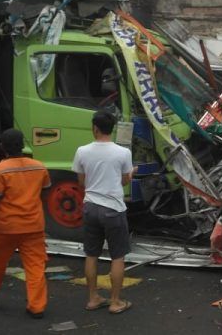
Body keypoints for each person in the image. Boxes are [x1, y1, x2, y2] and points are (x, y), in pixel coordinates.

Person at [73, 110, 135, 314]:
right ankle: (115, 302)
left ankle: (93, 298)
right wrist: (131, 174)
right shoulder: (123, 153)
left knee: (91, 254)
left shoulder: (82, 151)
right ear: (112, 129)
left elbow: (81, 182)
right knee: (117, 256)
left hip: (90, 206)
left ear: (95, 128)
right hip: (113, 209)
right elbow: (124, 181)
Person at [0, 128, 52, 319]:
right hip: (33, 226)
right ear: (22, 145)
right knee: (35, 266)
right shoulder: (39, 167)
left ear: (2, 147)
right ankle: (37, 306)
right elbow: (45, 192)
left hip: (5, 226)